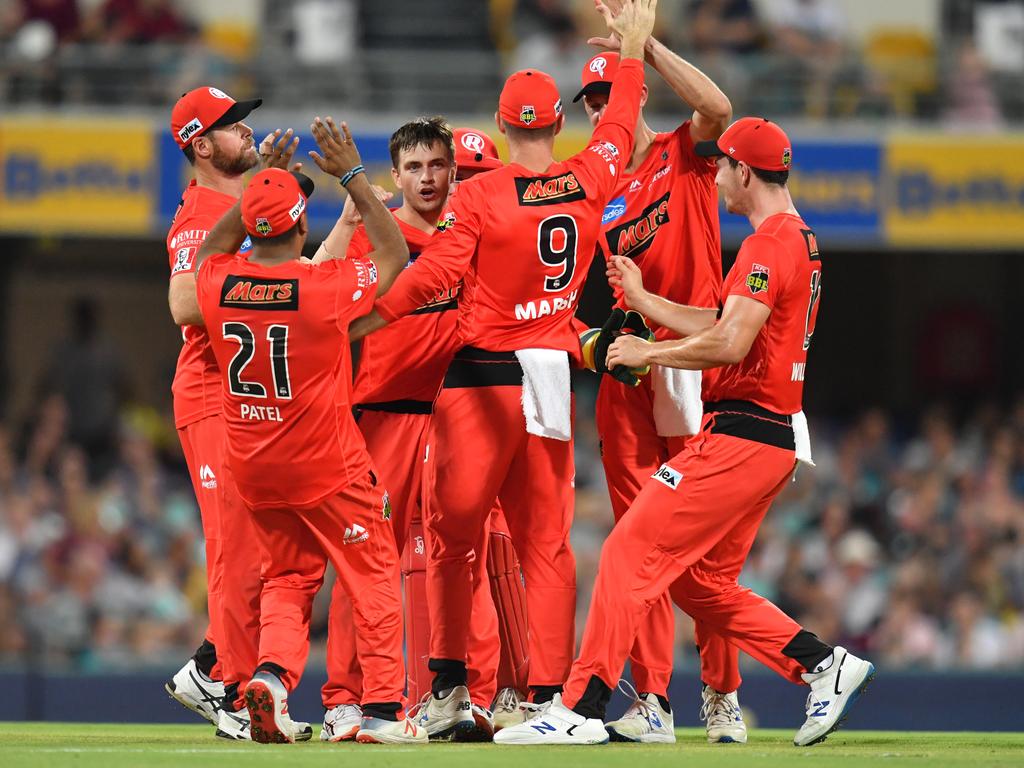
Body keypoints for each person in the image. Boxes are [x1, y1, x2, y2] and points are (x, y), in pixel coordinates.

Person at [495, 116, 875, 747]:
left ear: (744, 172)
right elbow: (726, 318)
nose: (717, 176)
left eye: (723, 166)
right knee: (698, 583)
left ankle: (580, 708)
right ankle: (823, 664)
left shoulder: (765, 245)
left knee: (625, 551)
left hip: (740, 435)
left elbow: (728, 341)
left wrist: (649, 355)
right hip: (769, 438)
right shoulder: (795, 238)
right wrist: (647, 305)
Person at [349, 0, 658, 745]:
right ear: (555, 125)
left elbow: (435, 278)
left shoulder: (479, 194)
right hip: (550, 374)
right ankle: (548, 699)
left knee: (451, 538)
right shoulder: (588, 178)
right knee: (545, 544)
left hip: (479, 377)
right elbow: (619, 128)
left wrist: (362, 319)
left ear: (500, 122)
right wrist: (634, 51)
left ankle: (450, 687)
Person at [192, 117, 426, 745]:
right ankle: (380, 711)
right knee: (374, 570)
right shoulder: (322, 287)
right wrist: (352, 175)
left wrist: (255, 194)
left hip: (254, 465)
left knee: (289, 579)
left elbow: (211, 250)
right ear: (301, 225)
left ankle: (270, 677)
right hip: (326, 464)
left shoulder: (218, 283)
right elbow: (394, 254)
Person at [573, 0, 743, 743]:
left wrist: (648, 45)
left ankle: (722, 693)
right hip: (629, 378)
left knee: (705, 550)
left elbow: (719, 106)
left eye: (614, 90)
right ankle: (653, 702)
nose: (603, 105)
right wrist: (592, 346)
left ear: (636, 91)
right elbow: (560, 297)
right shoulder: (591, 189)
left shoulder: (684, 153)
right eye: (593, 97)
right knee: (638, 544)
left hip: (696, 362)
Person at [315, 118, 501, 742]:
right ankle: (348, 698)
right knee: (364, 559)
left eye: (437, 166)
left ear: (454, 172)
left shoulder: (472, 236)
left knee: (462, 560)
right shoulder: (373, 237)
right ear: (395, 176)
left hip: (458, 414)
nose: (427, 178)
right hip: (383, 416)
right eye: (415, 168)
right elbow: (315, 297)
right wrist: (345, 223)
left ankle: (463, 696)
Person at [164, 85, 275, 739]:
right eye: (235, 125)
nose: (249, 131)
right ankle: (229, 683)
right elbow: (183, 304)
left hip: (247, 398)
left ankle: (210, 668)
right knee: (235, 548)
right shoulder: (201, 211)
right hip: (210, 395)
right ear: (201, 144)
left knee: (256, 549)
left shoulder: (241, 201)